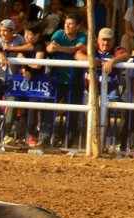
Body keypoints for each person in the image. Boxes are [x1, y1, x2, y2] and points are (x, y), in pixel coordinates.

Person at [38, 13, 87, 148]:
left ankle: (69, 142)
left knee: (73, 113)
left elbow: (76, 49)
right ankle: (44, 138)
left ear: (78, 26)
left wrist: (60, 49)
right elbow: (50, 48)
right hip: (57, 78)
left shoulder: (83, 36)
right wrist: (55, 48)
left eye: (71, 24)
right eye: (66, 23)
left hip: (75, 80)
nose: (67, 25)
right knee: (48, 109)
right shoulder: (59, 33)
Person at [0, 18, 26, 144]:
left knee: (12, 106)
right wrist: (0, 54)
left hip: (13, 79)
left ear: (12, 31)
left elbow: (27, 47)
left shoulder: (19, 39)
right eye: (1, 30)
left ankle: (6, 133)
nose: (3, 33)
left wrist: (18, 52)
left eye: (6, 31)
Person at [18, 21, 47, 147]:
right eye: (25, 34)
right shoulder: (25, 45)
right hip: (26, 82)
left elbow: (38, 64)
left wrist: (25, 62)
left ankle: (32, 136)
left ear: (37, 36)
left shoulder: (40, 45)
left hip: (38, 83)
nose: (26, 37)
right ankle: (23, 136)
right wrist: (25, 67)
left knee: (33, 109)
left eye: (29, 34)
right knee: (23, 110)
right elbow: (19, 54)